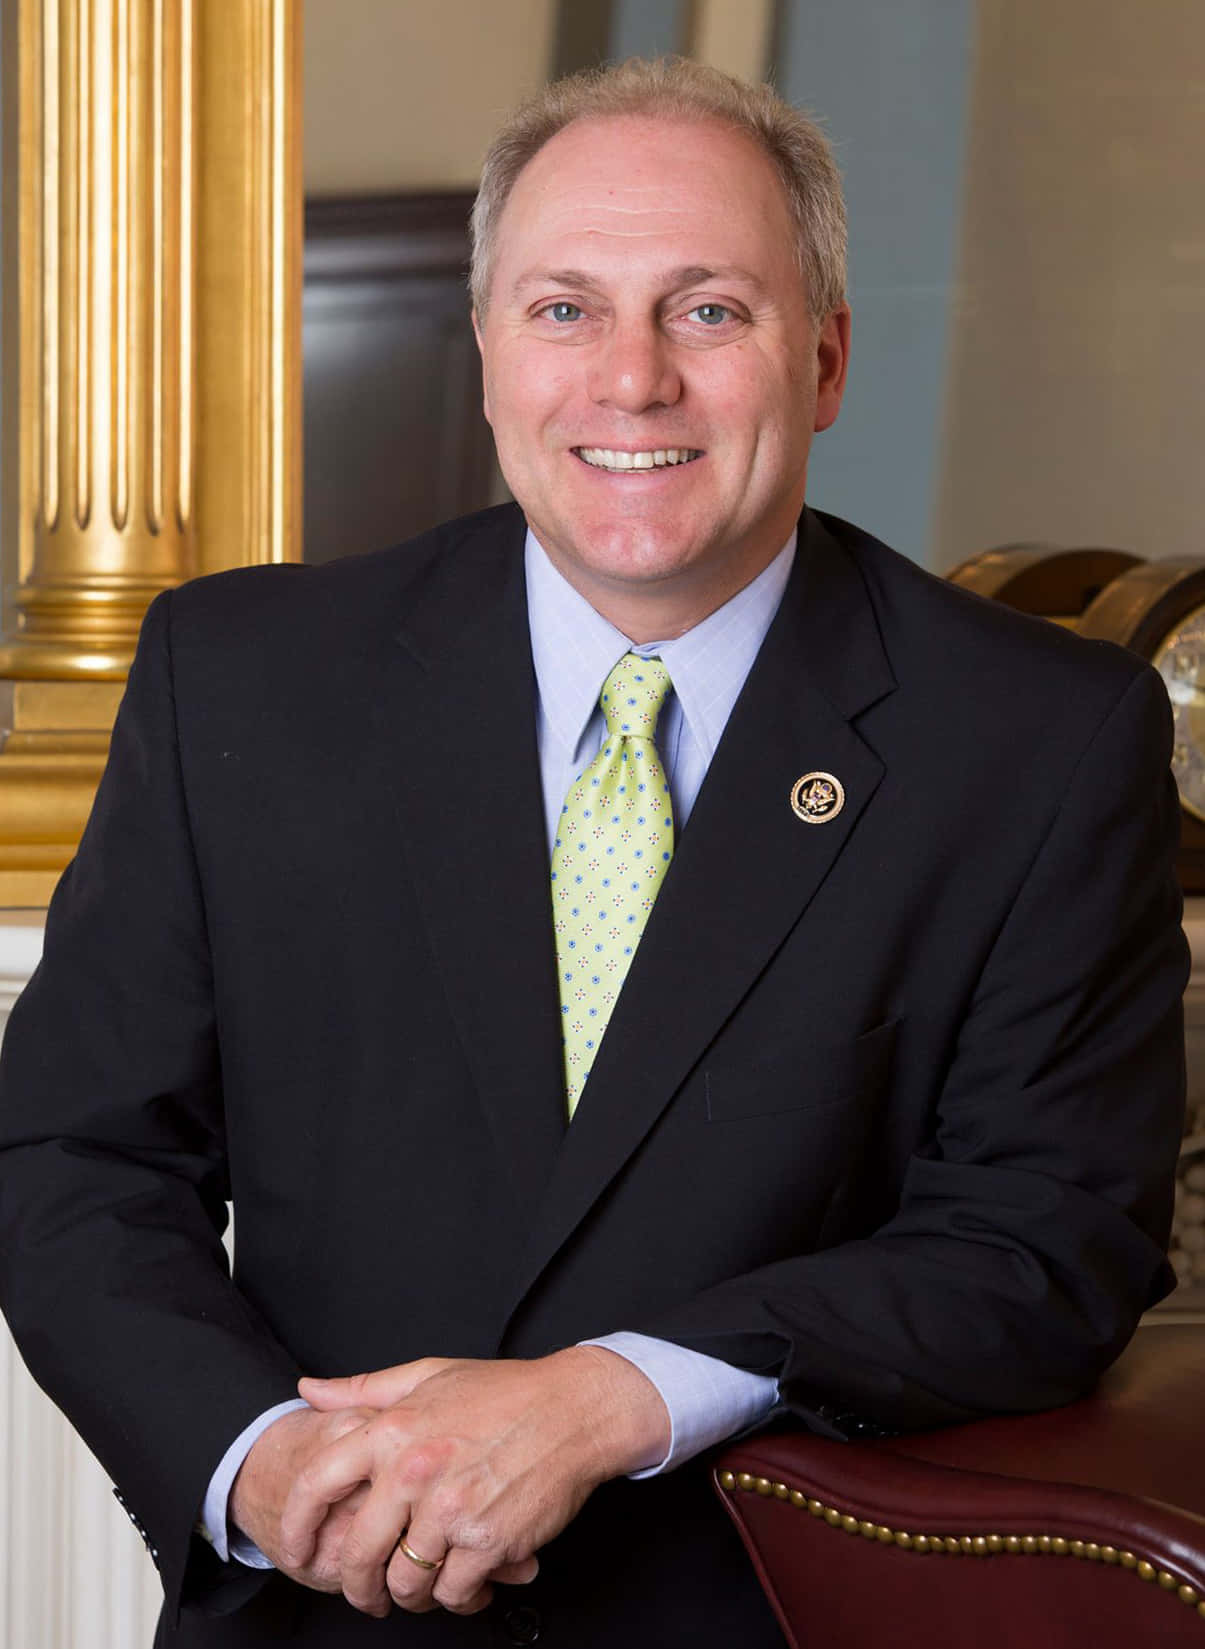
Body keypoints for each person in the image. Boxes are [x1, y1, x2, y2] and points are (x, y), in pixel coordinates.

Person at [0, 55, 1188, 1649]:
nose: (629, 380)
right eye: (563, 309)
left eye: (708, 310)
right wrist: (262, 1465)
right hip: (320, 1601)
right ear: (486, 349)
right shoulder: (247, 677)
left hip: (768, 1610)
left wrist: (610, 1398)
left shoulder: (1039, 736)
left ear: (823, 360)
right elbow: (74, 1158)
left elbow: (1045, 1240)